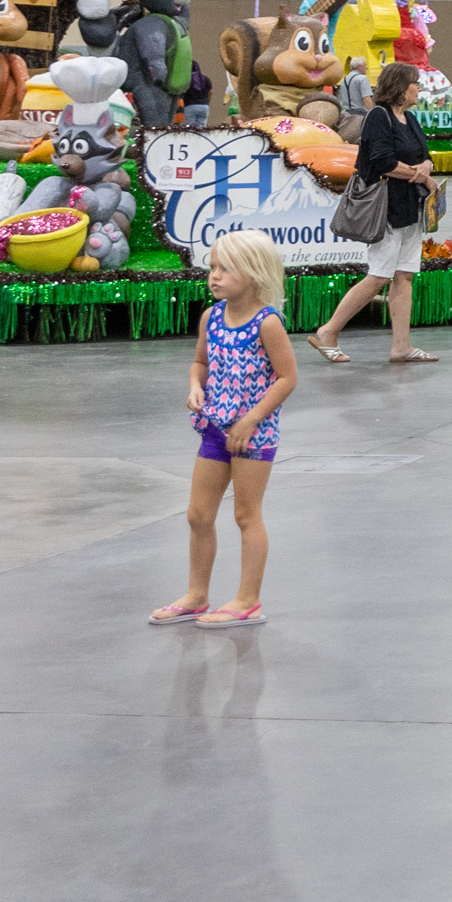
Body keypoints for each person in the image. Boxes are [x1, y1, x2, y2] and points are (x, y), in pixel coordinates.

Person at [150, 232, 295, 630]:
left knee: (246, 515)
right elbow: (200, 362)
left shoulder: (267, 323)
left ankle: (248, 600)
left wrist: (250, 420)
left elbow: (287, 378)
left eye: (224, 269)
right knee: (198, 514)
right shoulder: (211, 317)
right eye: (212, 267)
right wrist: (195, 387)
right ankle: (197, 595)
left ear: (254, 274)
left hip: (253, 435)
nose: (214, 276)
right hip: (215, 429)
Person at [309, 62, 441, 366]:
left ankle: (401, 345)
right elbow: (382, 162)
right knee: (379, 275)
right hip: (386, 210)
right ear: (400, 87)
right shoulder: (377, 119)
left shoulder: (410, 119)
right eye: (415, 83)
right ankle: (328, 331)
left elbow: (426, 156)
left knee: (404, 275)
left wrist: (426, 167)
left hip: (410, 208)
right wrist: (421, 175)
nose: (419, 88)